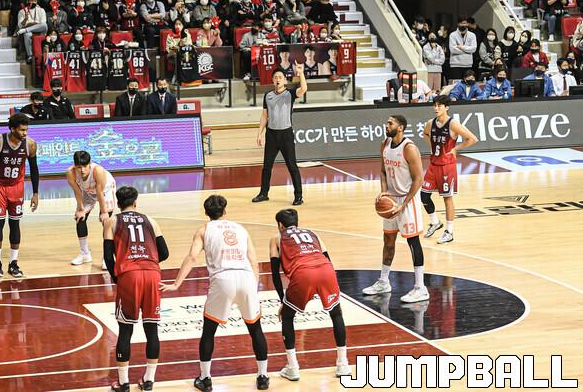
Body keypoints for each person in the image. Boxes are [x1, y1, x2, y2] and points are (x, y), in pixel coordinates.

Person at [160, 195, 270, 392]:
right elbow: (254, 262)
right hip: (246, 277)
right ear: (225, 210)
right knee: (256, 329)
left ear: (206, 212)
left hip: (223, 279)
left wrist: (176, 284)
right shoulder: (241, 229)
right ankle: (263, 377)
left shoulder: (203, 230)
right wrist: (253, 289)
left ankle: (205, 378)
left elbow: (192, 257)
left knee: (209, 331)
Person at [269, 208, 350, 380]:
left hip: (303, 273)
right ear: (297, 222)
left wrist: (282, 301)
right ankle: (343, 364)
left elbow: (275, 274)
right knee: (336, 313)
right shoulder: (313, 234)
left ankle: (292, 367)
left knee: (287, 316)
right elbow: (328, 258)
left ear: (280, 225)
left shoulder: (276, 238)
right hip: (326, 270)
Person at [103, 186, 169, 392]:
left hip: (129, 276)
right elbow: (164, 253)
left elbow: (107, 257)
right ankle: (149, 380)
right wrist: (148, 261)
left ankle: (123, 383)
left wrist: (117, 278)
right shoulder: (151, 221)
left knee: (125, 330)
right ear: (135, 202)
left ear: (118, 203)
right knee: (152, 329)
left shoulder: (112, 222)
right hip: (152, 274)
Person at [362, 115, 429, 303]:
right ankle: (384, 281)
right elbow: (383, 171)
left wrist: (404, 204)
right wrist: (384, 192)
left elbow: (419, 179)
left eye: (390, 123)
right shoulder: (384, 144)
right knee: (388, 241)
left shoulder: (409, 148)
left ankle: (420, 288)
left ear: (400, 128)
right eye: (387, 123)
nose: (387, 125)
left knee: (413, 242)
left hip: (408, 200)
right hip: (392, 199)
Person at [0, 114, 39, 278]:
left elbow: (34, 169)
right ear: (12, 129)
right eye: (22, 130)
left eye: (26, 130)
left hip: (16, 186)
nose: (25, 133)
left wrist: (35, 193)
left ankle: (13, 263)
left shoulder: (30, 145)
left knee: (15, 224)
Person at [421, 96, 478, 245]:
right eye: (435, 105)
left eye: (439, 105)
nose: (436, 108)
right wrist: (432, 147)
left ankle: (449, 232)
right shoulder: (430, 123)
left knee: (447, 198)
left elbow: (472, 139)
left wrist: (455, 149)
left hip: (447, 166)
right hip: (433, 164)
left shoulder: (453, 124)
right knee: (424, 196)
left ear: (447, 107)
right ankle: (435, 222)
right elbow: (425, 134)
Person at [253, 66, 307, 206]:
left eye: (280, 77)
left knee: (292, 166)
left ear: (285, 80)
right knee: (267, 167)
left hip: (286, 134)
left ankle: (298, 196)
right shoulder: (268, 96)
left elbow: (303, 89)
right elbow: (264, 116)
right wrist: (259, 133)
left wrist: (301, 73)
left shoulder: (290, 94)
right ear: (272, 80)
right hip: (271, 134)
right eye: (275, 77)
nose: (278, 79)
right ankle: (263, 193)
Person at [67, 150, 117, 268]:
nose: (82, 170)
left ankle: (107, 257)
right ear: (75, 166)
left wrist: (103, 212)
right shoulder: (70, 173)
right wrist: (80, 209)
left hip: (105, 191)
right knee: (80, 218)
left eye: (85, 166)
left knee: (106, 223)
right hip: (87, 192)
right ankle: (85, 253)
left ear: (90, 164)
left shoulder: (98, 171)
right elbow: (77, 192)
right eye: (79, 167)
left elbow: (100, 192)